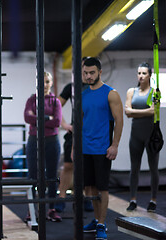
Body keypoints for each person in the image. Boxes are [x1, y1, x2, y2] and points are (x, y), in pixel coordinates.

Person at [80, 57, 123, 240]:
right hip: (85, 148)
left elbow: (120, 120)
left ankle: (101, 224)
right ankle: (96, 219)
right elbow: (81, 122)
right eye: (85, 73)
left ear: (100, 72)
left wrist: (115, 145)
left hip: (102, 149)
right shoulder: (83, 94)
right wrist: (76, 147)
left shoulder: (110, 93)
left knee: (102, 188)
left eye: (92, 73)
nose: (88, 76)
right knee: (89, 188)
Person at [54, 58, 93, 213]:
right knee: (69, 165)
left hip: (91, 133)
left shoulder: (94, 87)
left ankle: (86, 198)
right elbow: (56, 105)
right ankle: (61, 197)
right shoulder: (71, 87)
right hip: (74, 133)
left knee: (88, 167)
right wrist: (63, 124)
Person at [24, 72, 62, 222]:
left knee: (52, 176)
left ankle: (51, 209)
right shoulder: (31, 100)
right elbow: (27, 118)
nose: (44, 85)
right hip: (34, 140)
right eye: (41, 82)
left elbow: (57, 121)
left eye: (47, 82)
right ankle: (32, 210)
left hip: (52, 141)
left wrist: (37, 119)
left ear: (51, 83)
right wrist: (47, 118)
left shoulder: (55, 101)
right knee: (32, 176)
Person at [124, 62, 159, 212]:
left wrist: (134, 112)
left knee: (153, 168)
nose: (141, 76)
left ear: (150, 75)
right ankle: (133, 200)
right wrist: (145, 111)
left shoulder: (155, 92)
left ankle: (153, 200)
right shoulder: (131, 91)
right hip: (136, 135)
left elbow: (153, 112)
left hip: (151, 136)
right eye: (139, 73)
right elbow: (127, 112)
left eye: (144, 73)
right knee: (134, 168)